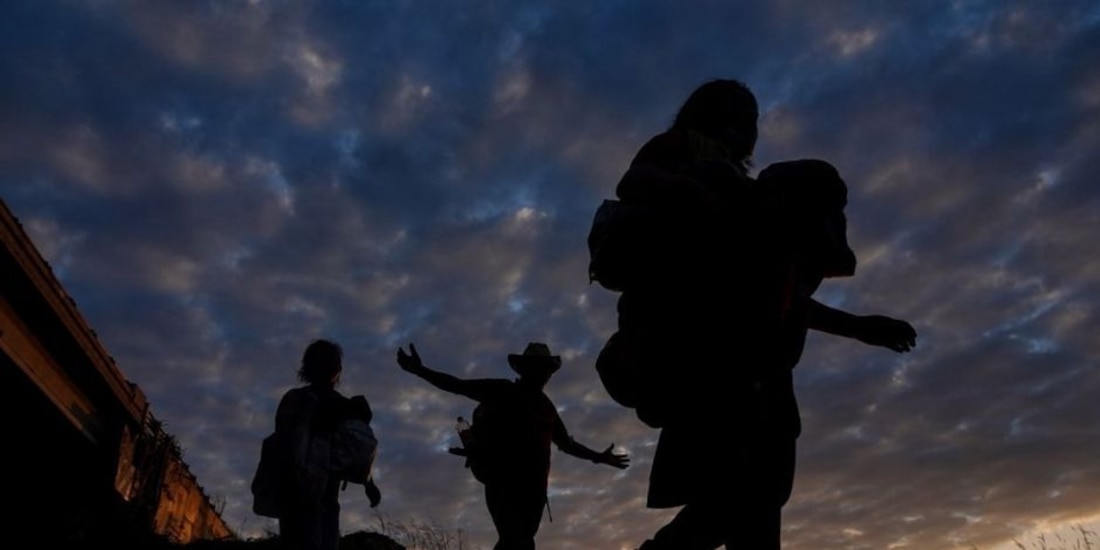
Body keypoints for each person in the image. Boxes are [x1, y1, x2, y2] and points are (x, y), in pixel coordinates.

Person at [605, 79, 916, 549]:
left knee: (758, 503)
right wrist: (705, 196)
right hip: (715, 361)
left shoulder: (752, 198)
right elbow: (633, 181)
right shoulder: (692, 152)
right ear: (709, 114)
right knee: (731, 503)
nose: (750, 127)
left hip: (765, 372)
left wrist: (858, 327)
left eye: (754, 118)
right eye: (739, 114)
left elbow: (780, 295)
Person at [397, 341, 630, 550]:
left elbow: (566, 443)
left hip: (535, 489)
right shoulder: (501, 390)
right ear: (524, 368)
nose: (543, 373)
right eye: (537, 366)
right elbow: (457, 385)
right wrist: (420, 370)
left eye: (546, 368)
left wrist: (600, 457)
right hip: (502, 480)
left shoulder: (546, 407)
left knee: (521, 540)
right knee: (516, 540)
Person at [274, 339, 381, 550]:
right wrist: (369, 483)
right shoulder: (343, 406)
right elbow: (356, 453)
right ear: (337, 371)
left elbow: (280, 443)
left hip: (300, 495)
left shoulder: (295, 399)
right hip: (313, 496)